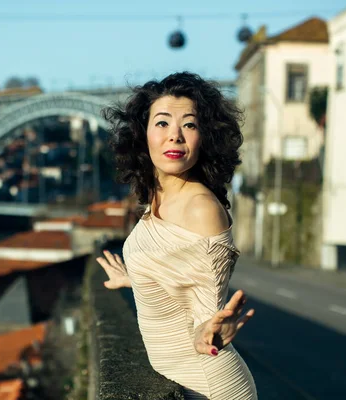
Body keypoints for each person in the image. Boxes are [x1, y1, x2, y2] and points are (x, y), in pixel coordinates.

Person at [96, 72, 257, 399]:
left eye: (190, 125)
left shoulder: (200, 208)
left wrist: (208, 333)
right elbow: (176, 276)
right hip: (181, 380)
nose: (175, 136)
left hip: (209, 385)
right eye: (162, 123)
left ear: (206, 138)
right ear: (142, 136)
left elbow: (206, 314)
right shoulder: (158, 197)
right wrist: (137, 278)